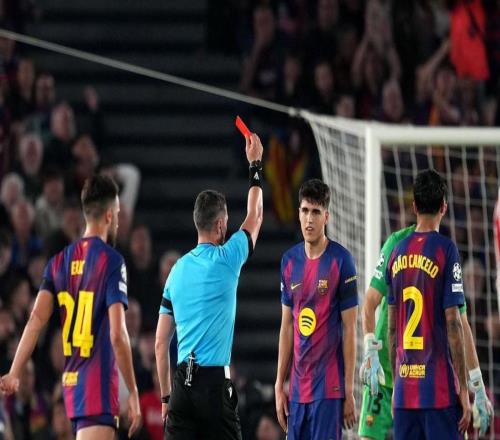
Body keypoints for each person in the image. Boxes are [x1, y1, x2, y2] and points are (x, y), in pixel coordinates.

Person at [0, 174, 142, 440]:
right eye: (117, 214)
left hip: (73, 383)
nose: (118, 220)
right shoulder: (111, 261)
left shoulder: (58, 261)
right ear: (109, 215)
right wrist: (133, 391)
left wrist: (14, 371)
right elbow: (117, 334)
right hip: (97, 384)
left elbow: (35, 320)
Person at [155, 133, 264, 439]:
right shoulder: (227, 258)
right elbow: (255, 215)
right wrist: (255, 165)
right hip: (214, 388)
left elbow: (161, 343)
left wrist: (166, 397)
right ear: (220, 225)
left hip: (181, 387)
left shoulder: (175, 271)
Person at [359, 225, 493, 439]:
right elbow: (369, 303)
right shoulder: (433, 249)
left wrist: (477, 386)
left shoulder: (435, 249)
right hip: (386, 374)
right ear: (443, 208)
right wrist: (370, 350)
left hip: (420, 379)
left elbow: (460, 324)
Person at [387, 169, 471, 439]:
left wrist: (396, 385)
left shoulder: (396, 253)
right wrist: (464, 389)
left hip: (404, 392)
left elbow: (391, 329)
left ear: (414, 206)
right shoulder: (446, 250)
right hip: (438, 392)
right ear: (444, 207)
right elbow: (453, 323)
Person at [275, 179, 358, 440]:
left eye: (316, 212)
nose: (309, 219)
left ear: (327, 217)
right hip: (297, 389)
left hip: (329, 389)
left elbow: (350, 329)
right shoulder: (289, 262)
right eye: (305, 211)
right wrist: (279, 384)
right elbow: (287, 326)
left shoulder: (341, 261)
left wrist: (349, 389)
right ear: (298, 213)